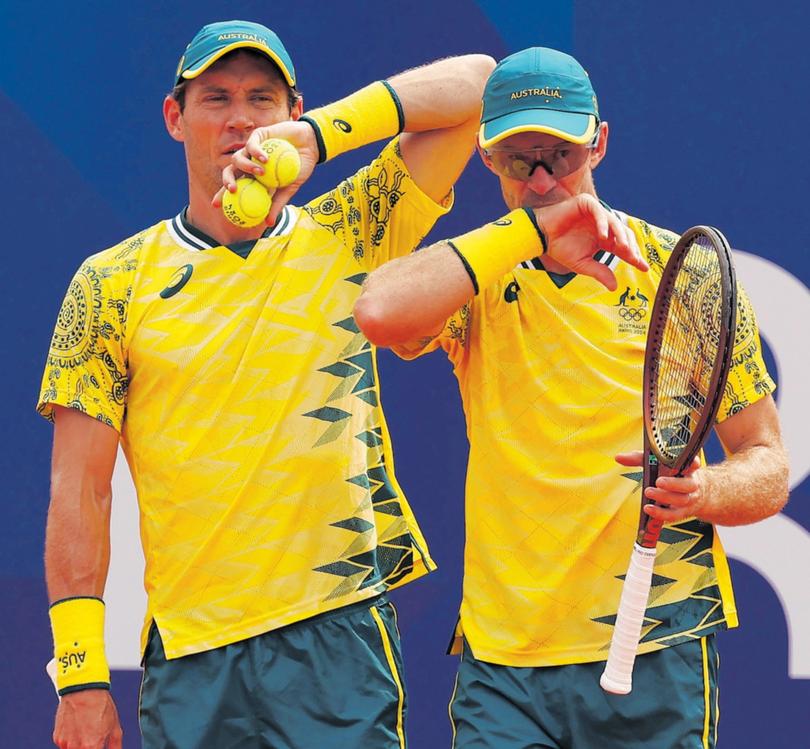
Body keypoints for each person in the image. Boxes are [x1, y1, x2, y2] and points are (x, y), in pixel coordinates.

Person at [37, 19, 495, 749]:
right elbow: (80, 493)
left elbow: (480, 85)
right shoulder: (109, 284)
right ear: (174, 117)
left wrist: (320, 137)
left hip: (339, 636)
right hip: (191, 656)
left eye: (262, 99)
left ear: (291, 111)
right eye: (215, 98)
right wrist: (83, 675)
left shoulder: (350, 232)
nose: (240, 119)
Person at [354, 47, 789, 748]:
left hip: (656, 637)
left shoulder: (683, 277)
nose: (543, 177)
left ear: (600, 142)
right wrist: (527, 232)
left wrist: (705, 491)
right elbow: (377, 308)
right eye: (519, 158)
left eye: (559, 153)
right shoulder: (477, 277)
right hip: (506, 659)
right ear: (487, 160)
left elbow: (766, 466)